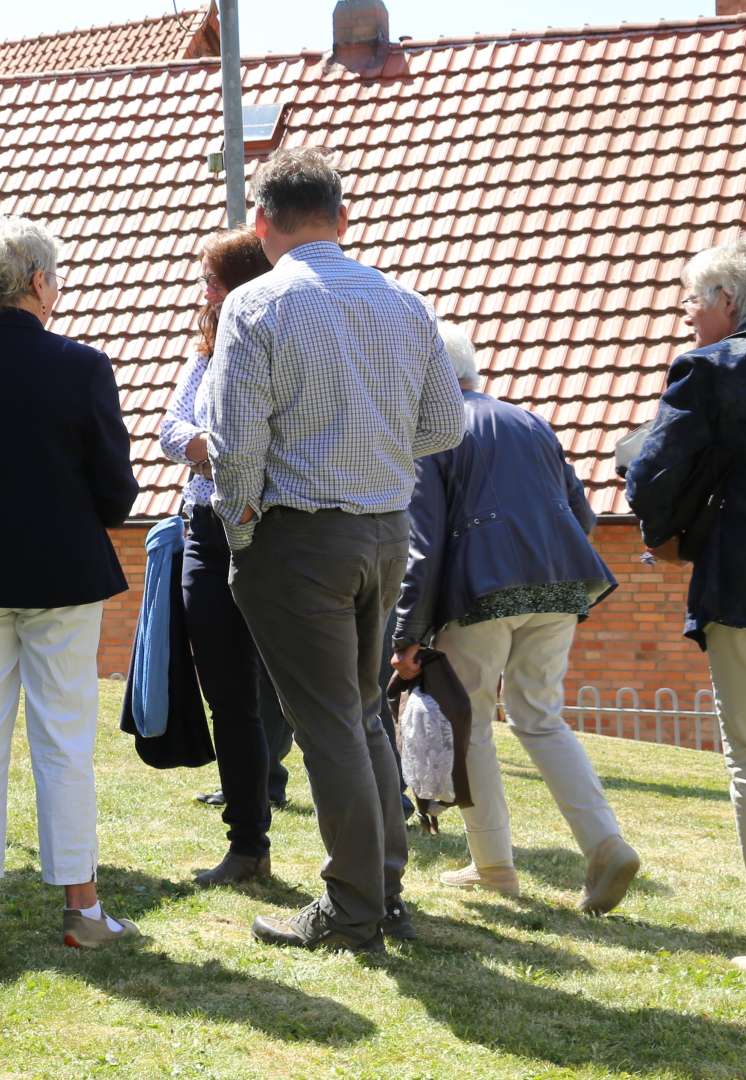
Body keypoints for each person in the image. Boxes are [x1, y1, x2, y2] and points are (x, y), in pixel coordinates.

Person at [205, 147, 463, 952]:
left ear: (260, 220)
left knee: (328, 726)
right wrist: (373, 452)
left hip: (299, 537)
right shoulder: (405, 301)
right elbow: (444, 426)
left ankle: (352, 910)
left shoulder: (254, 304)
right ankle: (381, 895)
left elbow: (234, 447)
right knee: (360, 717)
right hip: (385, 530)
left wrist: (239, 532)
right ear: (342, 218)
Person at [0, 216, 141, 949]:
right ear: (40, 283)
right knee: (64, 737)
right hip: (60, 572)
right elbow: (116, 490)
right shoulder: (82, 366)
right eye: (56, 277)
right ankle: (81, 909)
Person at [391, 323, 638, 913]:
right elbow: (582, 516)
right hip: (561, 585)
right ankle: (605, 842)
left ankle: (493, 866)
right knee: (540, 717)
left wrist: (406, 634)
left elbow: (422, 544)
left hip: (480, 593)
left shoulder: (432, 432)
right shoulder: (531, 421)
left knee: (471, 724)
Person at [628, 231, 746, 979]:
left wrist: (668, 535)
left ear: (728, 300)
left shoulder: (715, 368)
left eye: (693, 299)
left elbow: (652, 477)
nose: (687, 313)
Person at [157, 226, 287, 887]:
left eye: (211, 279)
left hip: (271, 531)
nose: (202, 291)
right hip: (206, 531)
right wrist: (213, 447)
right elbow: (169, 430)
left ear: (242, 283)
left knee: (304, 694)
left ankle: (358, 854)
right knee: (229, 698)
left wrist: (221, 447)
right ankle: (247, 845)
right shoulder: (204, 354)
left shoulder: (281, 343)